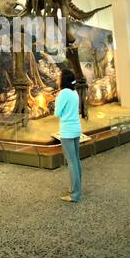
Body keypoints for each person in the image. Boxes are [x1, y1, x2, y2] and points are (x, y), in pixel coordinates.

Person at [54, 69, 82, 203]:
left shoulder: (63, 93)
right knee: (76, 160)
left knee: (71, 163)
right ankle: (76, 189)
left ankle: (74, 195)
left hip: (67, 131)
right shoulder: (74, 92)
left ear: (63, 80)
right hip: (76, 129)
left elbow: (57, 113)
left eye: (59, 77)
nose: (57, 79)